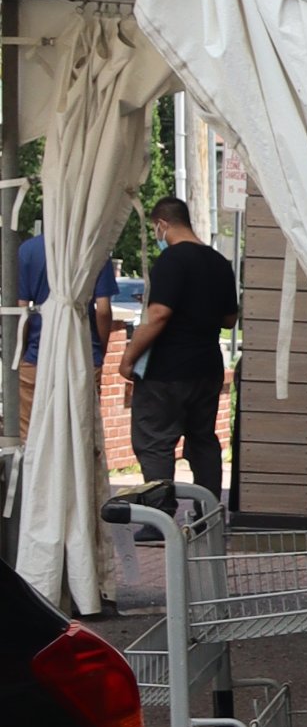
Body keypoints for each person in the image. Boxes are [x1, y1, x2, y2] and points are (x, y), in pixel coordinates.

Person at [122, 194, 238, 502]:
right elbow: (229, 319)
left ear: (162, 224)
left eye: (156, 230)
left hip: (167, 370)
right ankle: (208, 513)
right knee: (202, 441)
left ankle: (159, 515)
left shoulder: (171, 260)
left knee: (156, 441)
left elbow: (158, 315)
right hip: (207, 367)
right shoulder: (218, 262)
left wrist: (129, 357)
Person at [12, 227, 116, 438]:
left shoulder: (28, 250)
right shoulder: (95, 249)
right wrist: (100, 348)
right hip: (83, 355)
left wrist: (23, 352)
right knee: (81, 433)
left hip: (37, 355)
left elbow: (21, 309)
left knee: (31, 435)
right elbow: (103, 309)